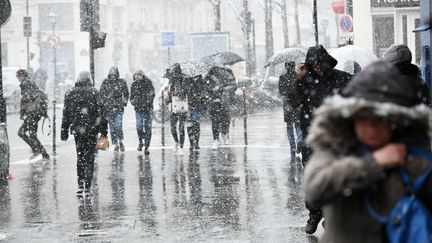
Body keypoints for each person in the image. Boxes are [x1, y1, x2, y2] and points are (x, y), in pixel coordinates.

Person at [304, 61, 432, 242]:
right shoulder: (337, 147)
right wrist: (374, 163)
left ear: (395, 120)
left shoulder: (414, 155)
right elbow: (315, 189)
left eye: (379, 118)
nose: (370, 126)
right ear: (351, 117)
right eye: (363, 117)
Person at [296, 45, 352, 234]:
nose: (318, 67)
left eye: (321, 63)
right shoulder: (305, 81)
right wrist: (300, 78)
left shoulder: (341, 78)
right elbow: (293, 100)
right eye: (314, 64)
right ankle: (314, 214)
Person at [61, 71, 108, 194]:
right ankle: (87, 185)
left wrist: (64, 130)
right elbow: (102, 113)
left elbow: (66, 114)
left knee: (80, 156)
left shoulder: (70, 93)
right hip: (92, 130)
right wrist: (104, 132)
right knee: (90, 157)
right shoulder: (95, 92)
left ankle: (80, 184)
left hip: (78, 130)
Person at [17, 69, 50, 161]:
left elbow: (30, 97)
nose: (18, 79)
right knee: (26, 134)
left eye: (18, 76)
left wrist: (24, 98)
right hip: (34, 113)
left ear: (22, 76)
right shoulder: (29, 83)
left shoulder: (26, 84)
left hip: (33, 114)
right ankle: (40, 152)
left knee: (24, 133)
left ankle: (41, 152)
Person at [205, 66, 237, 150]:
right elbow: (205, 86)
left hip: (225, 100)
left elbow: (234, 85)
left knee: (225, 120)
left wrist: (223, 88)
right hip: (214, 100)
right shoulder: (209, 74)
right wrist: (212, 89)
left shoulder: (228, 72)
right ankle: (216, 139)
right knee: (215, 121)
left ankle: (225, 135)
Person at [99, 66, 129, 152]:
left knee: (118, 126)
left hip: (119, 108)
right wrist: (103, 102)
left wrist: (124, 101)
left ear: (117, 75)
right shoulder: (105, 82)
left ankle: (120, 141)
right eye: (111, 75)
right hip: (108, 109)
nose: (113, 77)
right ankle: (115, 144)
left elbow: (126, 93)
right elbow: (101, 94)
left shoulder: (121, 82)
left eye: (114, 75)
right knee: (112, 128)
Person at [278, 61, 303, 161]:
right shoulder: (298, 77)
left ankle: (292, 148)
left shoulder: (282, 77)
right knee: (298, 124)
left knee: (289, 126)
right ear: (293, 67)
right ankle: (300, 140)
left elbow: (281, 91)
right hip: (297, 104)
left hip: (287, 104)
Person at [130, 70, 155, 155]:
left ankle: (147, 146)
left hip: (148, 109)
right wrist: (134, 102)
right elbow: (131, 97)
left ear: (142, 76)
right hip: (138, 109)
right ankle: (141, 141)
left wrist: (147, 103)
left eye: (139, 75)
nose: (137, 77)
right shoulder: (134, 85)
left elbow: (152, 94)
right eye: (136, 75)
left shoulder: (148, 83)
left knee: (148, 127)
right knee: (139, 126)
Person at [167, 63, 188, 155]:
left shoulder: (185, 79)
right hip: (174, 105)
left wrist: (180, 93)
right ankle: (176, 141)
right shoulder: (171, 81)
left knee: (181, 127)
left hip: (182, 104)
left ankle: (181, 147)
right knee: (172, 127)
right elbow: (169, 94)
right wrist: (170, 94)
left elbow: (187, 91)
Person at [186, 74, 206, 150]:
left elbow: (203, 94)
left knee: (195, 124)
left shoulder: (200, 82)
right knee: (191, 125)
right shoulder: (187, 82)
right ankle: (193, 143)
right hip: (190, 106)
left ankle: (195, 143)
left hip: (195, 106)